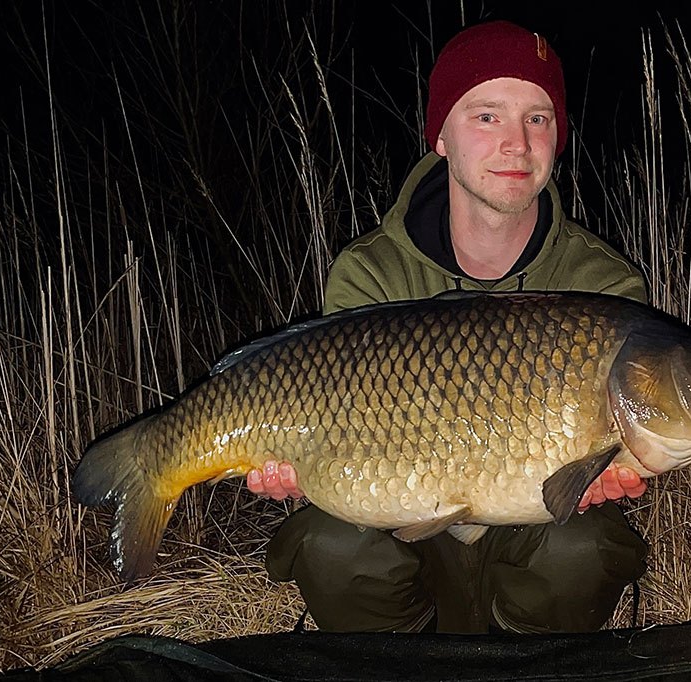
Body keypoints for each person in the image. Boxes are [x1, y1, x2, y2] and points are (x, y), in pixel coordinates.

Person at [247, 20, 649, 635]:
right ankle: (404, 662)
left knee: (584, 547)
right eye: (487, 116)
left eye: (537, 118)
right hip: (402, 515)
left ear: (557, 136)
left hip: (531, 526)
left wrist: (600, 473)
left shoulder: (602, 283)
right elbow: (327, 414)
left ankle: (526, 664)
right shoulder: (371, 272)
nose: (517, 144)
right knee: (331, 545)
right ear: (440, 135)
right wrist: (298, 460)